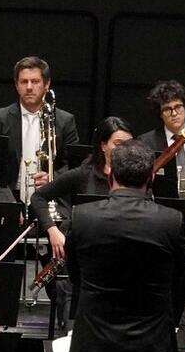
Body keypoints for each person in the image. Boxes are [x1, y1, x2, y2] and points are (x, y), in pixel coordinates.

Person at [66, 138, 185, 352]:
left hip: (97, 348)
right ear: (151, 177)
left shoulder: (83, 217)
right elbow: (177, 281)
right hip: (152, 349)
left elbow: (76, 278)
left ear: (110, 176)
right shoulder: (171, 221)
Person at [29, 116, 132, 323]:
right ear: (103, 145)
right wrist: (52, 230)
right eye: (118, 144)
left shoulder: (134, 177)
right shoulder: (84, 174)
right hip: (83, 263)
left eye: (129, 145)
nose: (124, 150)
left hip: (118, 262)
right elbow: (38, 197)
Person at [0, 55, 81, 202]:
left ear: (47, 84)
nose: (29, 87)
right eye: (24, 82)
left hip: (50, 195)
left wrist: (52, 178)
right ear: (16, 85)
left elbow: (74, 166)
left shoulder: (65, 121)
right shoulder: (0, 118)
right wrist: (10, 205)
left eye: (35, 81)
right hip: (10, 197)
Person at [134, 80, 185, 211]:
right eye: (167, 109)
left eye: (178, 107)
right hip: (159, 211)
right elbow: (141, 183)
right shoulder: (146, 142)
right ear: (160, 114)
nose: (174, 113)